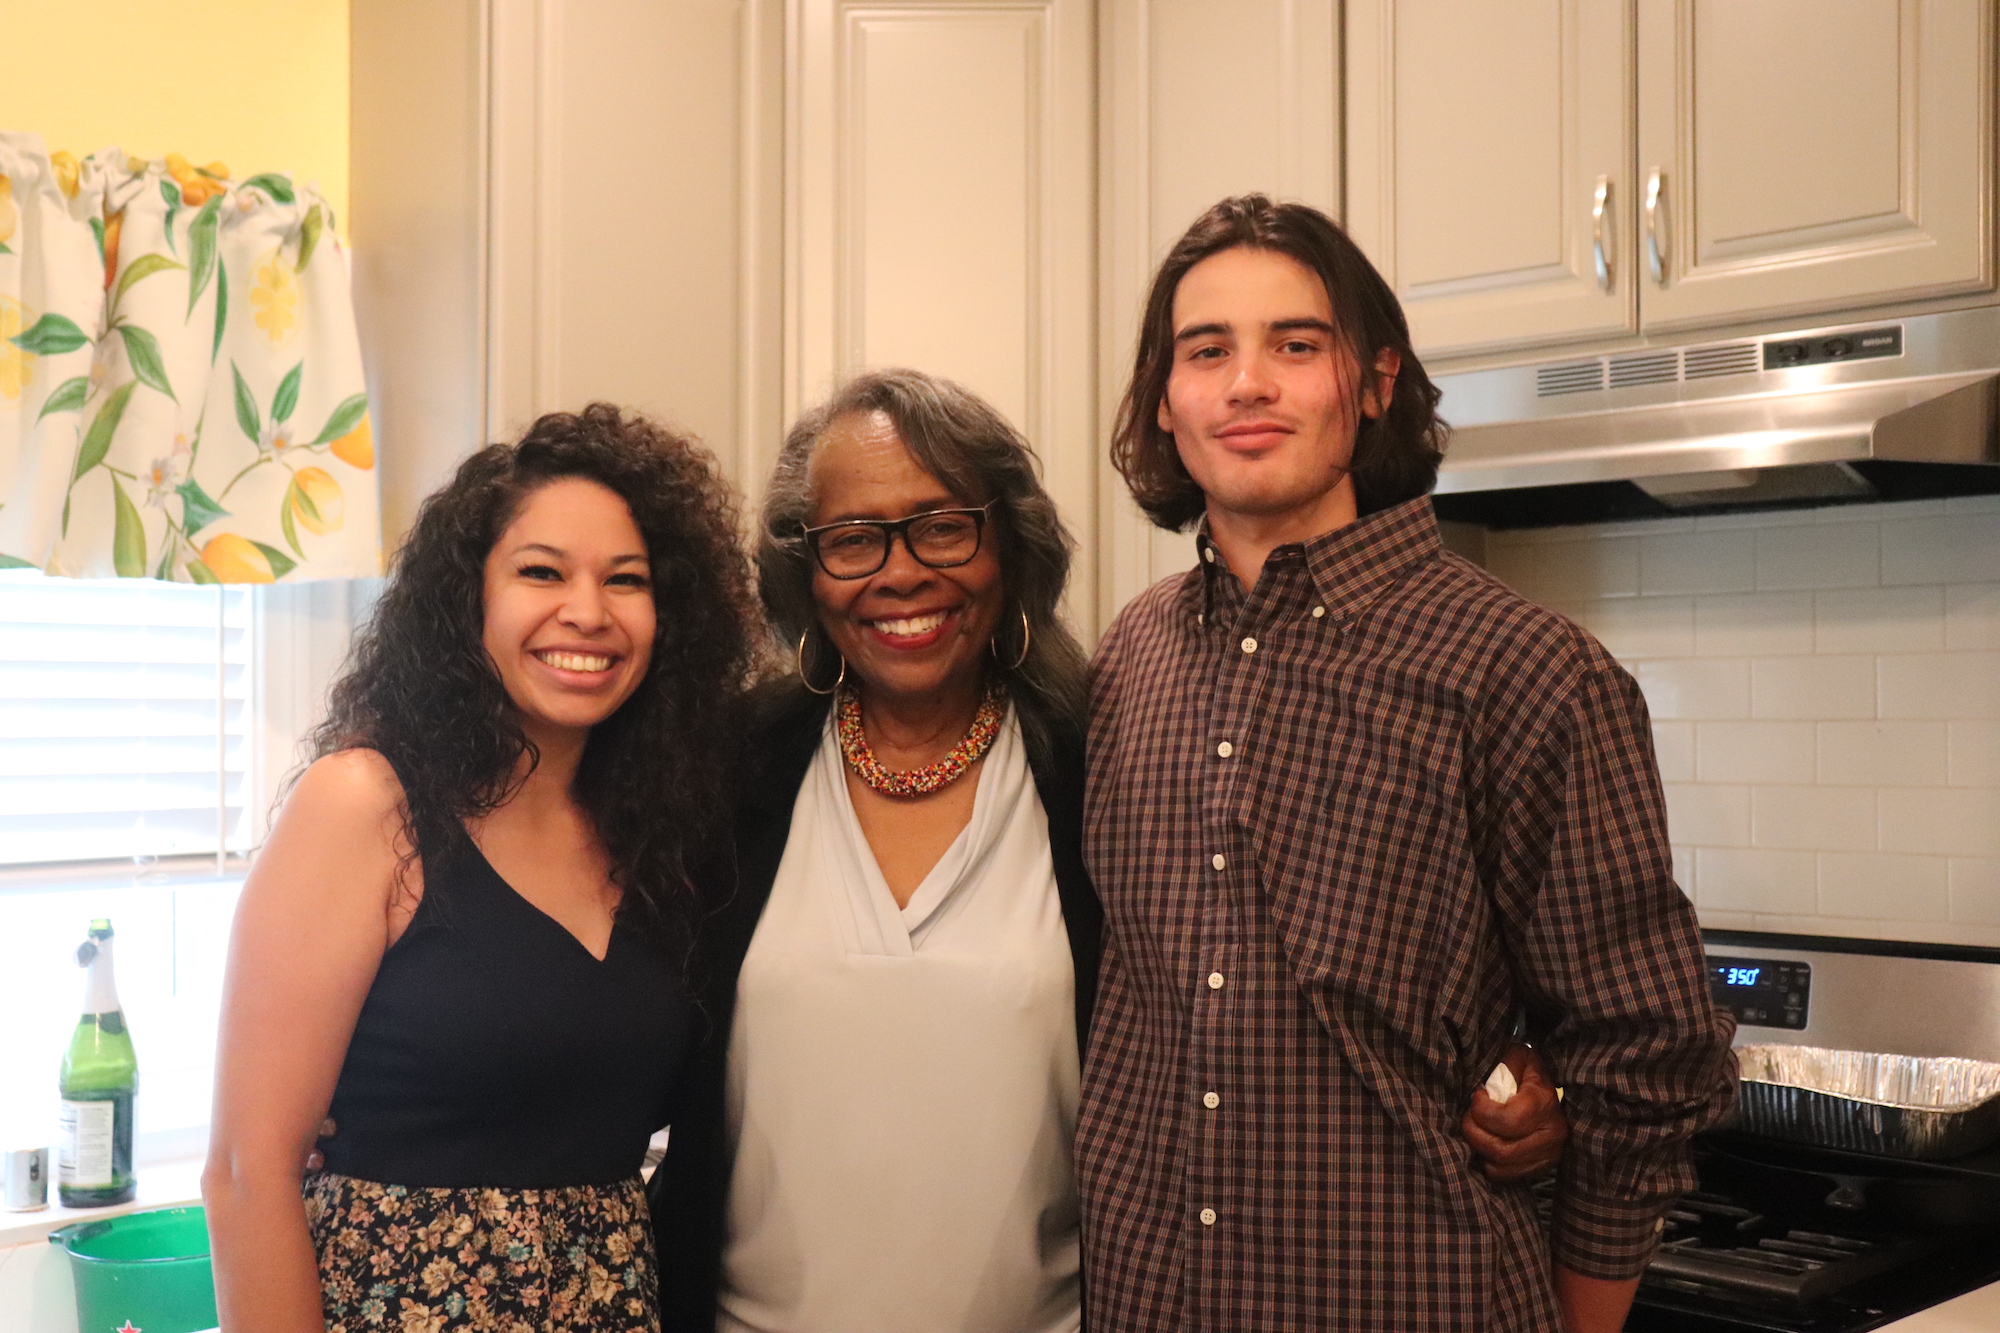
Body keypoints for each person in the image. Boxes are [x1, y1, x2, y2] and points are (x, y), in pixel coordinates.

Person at [651, 368, 1569, 1333]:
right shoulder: (729, 776)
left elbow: (1269, 969)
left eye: (944, 524)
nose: (901, 571)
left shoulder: (1106, 757)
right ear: (807, 571)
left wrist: (1520, 1066)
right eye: (852, 539)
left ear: (1010, 548)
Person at [1080, 195, 1739, 1333]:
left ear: (1373, 383)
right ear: (1163, 400)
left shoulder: (1526, 671)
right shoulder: (1128, 657)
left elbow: (1648, 1057)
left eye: (1295, 344)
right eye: (1206, 351)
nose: (1247, 383)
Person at [203, 406, 757, 1332]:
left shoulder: (666, 836)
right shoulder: (367, 806)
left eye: (627, 580)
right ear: (470, 601)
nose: (588, 610)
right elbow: (244, 1172)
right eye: (541, 572)